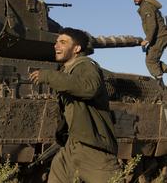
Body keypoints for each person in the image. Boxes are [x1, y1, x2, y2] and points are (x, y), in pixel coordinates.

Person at [29, 28, 120, 183]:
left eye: (63, 42)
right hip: (71, 147)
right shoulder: (68, 72)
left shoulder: (86, 65)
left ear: (77, 49)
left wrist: (49, 76)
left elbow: (89, 87)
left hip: (93, 149)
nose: (56, 45)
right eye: (57, 42)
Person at [131, 0, 167, 88]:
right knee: (152, 59)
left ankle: (161, 86)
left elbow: (152, 25)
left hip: (160, 36)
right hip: (161, 36)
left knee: (150, 61)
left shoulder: (146, 6)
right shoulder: (147, 5)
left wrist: (147, 40)